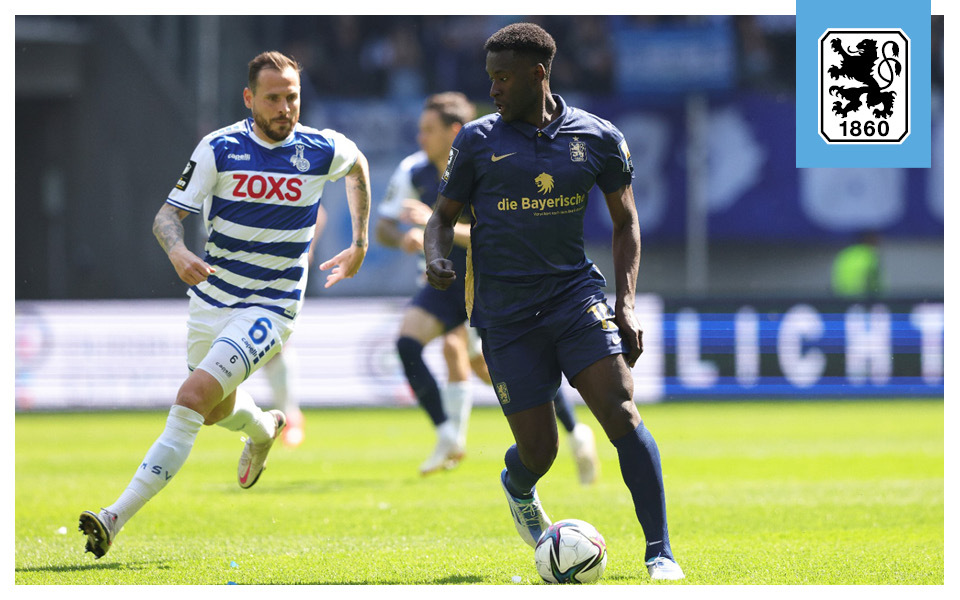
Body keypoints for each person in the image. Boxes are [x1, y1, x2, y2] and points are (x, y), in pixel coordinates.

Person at [78, 51, 371, 559]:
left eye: (292, 97)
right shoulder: (220, 148)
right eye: (274, 98)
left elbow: (358, 164)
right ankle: (264, 429)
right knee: (215, 411)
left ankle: (113, 517)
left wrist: (360, 241)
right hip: (213, 298)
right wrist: (177, 250)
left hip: (272, 305)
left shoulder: (321, 149)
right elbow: (166, 216)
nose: (285, 108)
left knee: (192, 397)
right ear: (249, 99)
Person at [423, 23, 683, 580]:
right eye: (489, 77)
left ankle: (660, 552)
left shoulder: (598, 137)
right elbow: (441, 220)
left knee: (621, 411)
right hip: (506, 314)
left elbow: (626, 223)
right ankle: (517, 485)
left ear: (538, 73)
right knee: (540, 453)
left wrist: (627, 304)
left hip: (574, 298)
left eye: (502, 77)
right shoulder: (476, 141)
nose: (492, 89)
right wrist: (436, 257)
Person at [377, 93, 600, 482]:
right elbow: (383, 226)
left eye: (428, 130)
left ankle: (575, 434)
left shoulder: (489, 165)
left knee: (488, 364)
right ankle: (448, 434)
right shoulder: (413, 172)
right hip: (443, 276)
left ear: (455, 132)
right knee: (408, 344)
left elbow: (496, 234)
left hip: (489, 280)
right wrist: (405, 239)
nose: (420, 138)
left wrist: (435, 222)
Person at [831, 231, 882, 298]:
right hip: (860, 299)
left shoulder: (845, 253)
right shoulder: (870, 256)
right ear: (870, 241)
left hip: (841, 298)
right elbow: (873, 284)